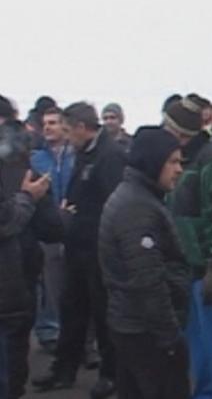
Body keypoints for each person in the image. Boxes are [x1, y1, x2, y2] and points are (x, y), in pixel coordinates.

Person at [33, 102, 127, 398]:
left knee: (102, 315)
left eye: (67, 130)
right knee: (71, 310)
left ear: (81, 128)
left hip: (98, 248)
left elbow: (114, 204)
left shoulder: (109, 155)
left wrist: (79, 217)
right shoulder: (85, 153)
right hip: (77, 247)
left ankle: (111, 374)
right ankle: (63, 370)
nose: (64, 136)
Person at [98, 127, 190, 399]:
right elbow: (147, 281)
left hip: (133, 326)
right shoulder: (137, 208)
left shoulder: (138, 196)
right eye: (172, 162)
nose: (179, 170)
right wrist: (170, 338)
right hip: (145, 331)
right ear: (152, 162)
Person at [167, 93, 212, 399]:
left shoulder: (211, 160)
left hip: (208, 269)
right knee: (197, 348)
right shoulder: (182, 160)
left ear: (182, 132)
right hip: (188, 268)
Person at [0, 95, 52, 399]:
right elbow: (7, 222)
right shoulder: (23, 166)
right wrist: (29, 197)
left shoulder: (20, 159)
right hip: (14, 280)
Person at [30, 107, 75, 353]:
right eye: (45, 123)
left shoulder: (75, 157)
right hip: (46, 227)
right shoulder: (36, 158)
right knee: (48, 281)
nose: (48, 127)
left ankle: (74, 333)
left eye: (54, 123)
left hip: (72, 224)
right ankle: (48, 331)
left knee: (72, 281)